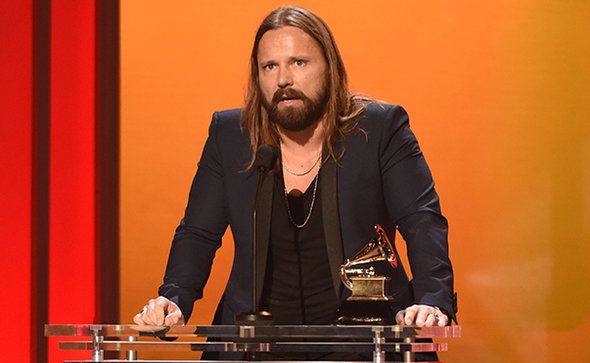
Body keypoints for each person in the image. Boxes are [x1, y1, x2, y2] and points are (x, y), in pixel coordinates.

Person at [133, 6, 457, 331]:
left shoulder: (378, 130)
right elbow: (198, 233)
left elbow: (420, 220)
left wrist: (432, 299)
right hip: (255, 348)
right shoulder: (231, 136)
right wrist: (174, 299)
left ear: (330, 68)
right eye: (269, 67)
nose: (283, 79)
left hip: (362, 343)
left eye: (298, 63)